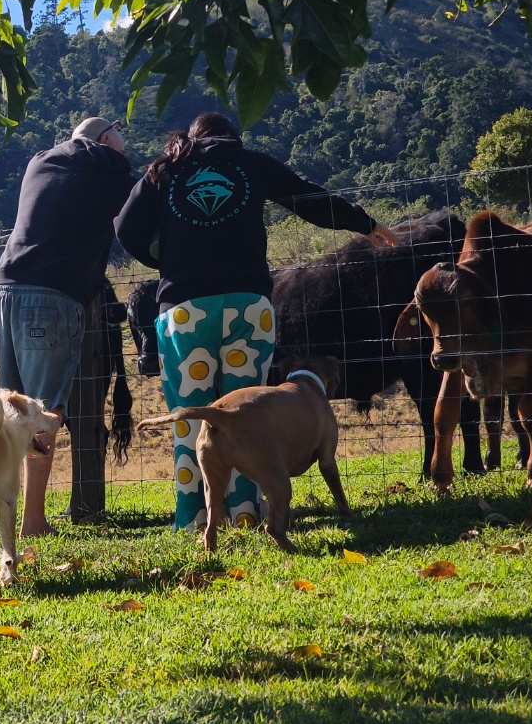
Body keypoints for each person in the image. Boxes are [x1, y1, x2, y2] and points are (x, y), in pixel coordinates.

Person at [115, 112, 394, 534]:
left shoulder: (167, 170)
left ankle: (193, 518)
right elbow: (308, 199)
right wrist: (364, 223)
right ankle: (246, 511)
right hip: (248, 306)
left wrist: (164, 259)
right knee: (246, 418)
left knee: (190, 415)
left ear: (192, 138)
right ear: (232, 138)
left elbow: (125, 228)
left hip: (185, 310)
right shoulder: (251, 163)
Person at [0, 116, 135, 536]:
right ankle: (33, 521)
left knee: (1, 409)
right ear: (105, 137)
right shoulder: (106, 163)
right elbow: (137, 210)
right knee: (43, 412)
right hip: (51, 297)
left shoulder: (39, 161)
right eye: (118, 131)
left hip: (3, 290)